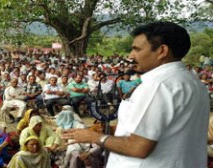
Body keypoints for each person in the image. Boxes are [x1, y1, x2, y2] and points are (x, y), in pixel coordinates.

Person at [62, 22, 210, 167]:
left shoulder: (157, 86)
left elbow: (138, 147)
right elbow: (167, 131)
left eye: (136, 49)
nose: (131, 55)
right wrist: (114, 130)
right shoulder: (195, 83)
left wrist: (94, 137)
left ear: (162, 51)